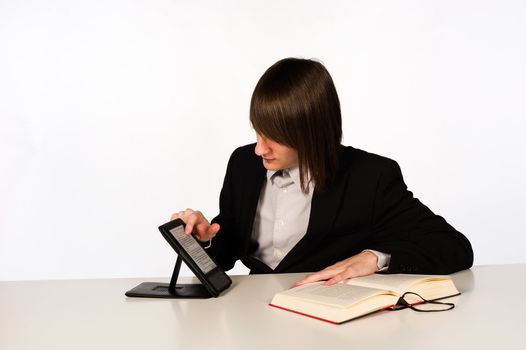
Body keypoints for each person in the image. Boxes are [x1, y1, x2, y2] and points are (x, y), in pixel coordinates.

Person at [171, 57, 473, 286]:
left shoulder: (371, 177)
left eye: (273, 137)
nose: (259, 149)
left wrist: (374, 260)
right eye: (257, 132)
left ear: (310, 132)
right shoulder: (243, 164)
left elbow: (453, 247)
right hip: (253, 316)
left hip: (331, 320)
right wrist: (204, 239)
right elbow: (225, 254)